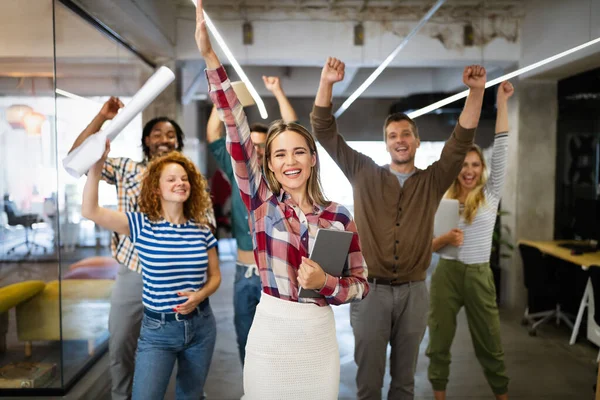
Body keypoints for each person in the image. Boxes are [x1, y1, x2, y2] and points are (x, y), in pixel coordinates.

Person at [195, 1, 368, 398]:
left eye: (299, 151)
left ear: (312, 158)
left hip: (318, 340)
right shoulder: (261, 205)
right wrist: (209, 56)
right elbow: (236, 128)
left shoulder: (339, 217)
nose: (290, 160)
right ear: (269, 166)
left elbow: (360, 285)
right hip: (271, 335)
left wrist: (327, 283)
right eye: (279, 154)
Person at [311, 57, 486, 400]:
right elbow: (323, 130)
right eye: (393, 135)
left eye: (406, 133)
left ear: (417, 141)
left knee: (405, 383)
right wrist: (327, 83)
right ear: (386, 143)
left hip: (414, 293)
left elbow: (461, 140)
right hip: (370, 292)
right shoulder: (364, 172)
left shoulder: (433, 180)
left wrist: (476, 92)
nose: (400, 139)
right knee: (369, 384)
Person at [69, 102, 214, 400]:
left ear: (178, 141)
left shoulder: (188, 179)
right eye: (157, 133)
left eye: (171, 134)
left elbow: (207, 226)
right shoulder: (126, 168)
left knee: (188, 352)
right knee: (121, 342)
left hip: (181, 277)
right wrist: (103, 119)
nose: (164, 138)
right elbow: (78, 157)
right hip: (133, 269)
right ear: (147, 140)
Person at [427, 81, 514, 400]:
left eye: (475, 165)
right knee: (438, 343)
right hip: (446, 274)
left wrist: (501, 102)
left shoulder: (490, 195)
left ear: (482, 169)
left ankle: (501, 395)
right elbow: (427, 246)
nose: (469, 170)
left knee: (490, 344)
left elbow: (502, 147)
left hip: (478, 274)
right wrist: (445, 238)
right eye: (463, 164)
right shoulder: (441, 198)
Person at [206, 74, 298, 365]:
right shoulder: (236, 173)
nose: (255, 149)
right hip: (243, 272)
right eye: (251, 144)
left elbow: (292, 129)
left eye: (261, 145)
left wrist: (277, 91)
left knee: (279, 344)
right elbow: (213, 134)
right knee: (244, 340)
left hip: (274, 274)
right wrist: (219, 100)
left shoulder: (278, 179)